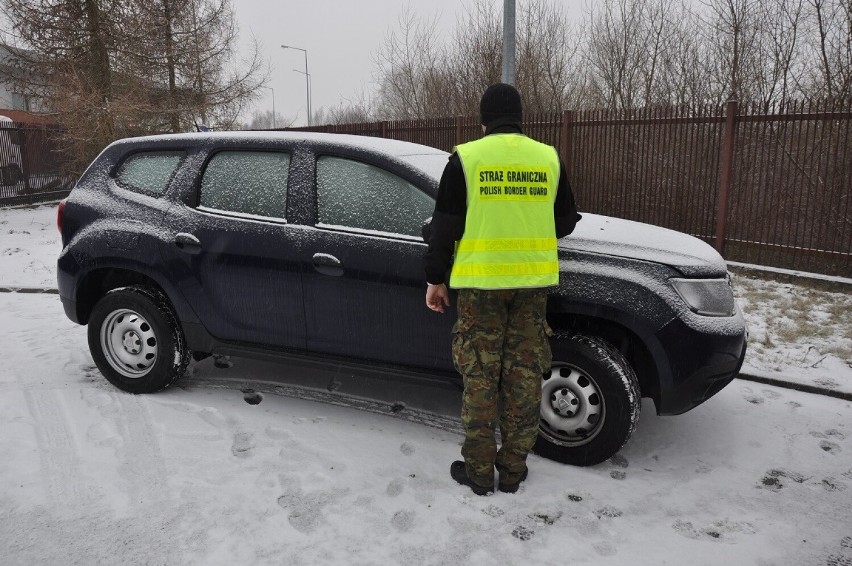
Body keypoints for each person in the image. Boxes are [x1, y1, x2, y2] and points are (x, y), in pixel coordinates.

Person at [424, 83, 581, 495]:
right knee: (524, 379)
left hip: (480, 288)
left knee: (480, 379)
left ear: (483, 120)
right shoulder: (548, 158)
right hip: (532, 287)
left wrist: (435, 278)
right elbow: (564, 222)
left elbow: (444, 227)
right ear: (520, 118)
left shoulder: (467, 158)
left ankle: (478, 473)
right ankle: (512, 472)